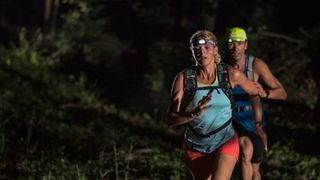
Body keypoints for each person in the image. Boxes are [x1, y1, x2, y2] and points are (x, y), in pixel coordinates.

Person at [167, 30, 266, 180]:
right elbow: (171, 119)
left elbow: (254, 93)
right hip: (196, 146)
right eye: (197, 48)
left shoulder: (231, 75)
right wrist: (192, 114)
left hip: (225, 140)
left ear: (215, 50)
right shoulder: (184, 79)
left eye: (207, 47)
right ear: (192, 52)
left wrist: (258, 124)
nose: (202, 51)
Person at [226, 27, 287, 180]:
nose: (235, 47)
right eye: (231, 43)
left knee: (254, 169)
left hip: (254, 122)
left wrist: (266, 93)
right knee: (245, 151)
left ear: (245, 44)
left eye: (239, 43)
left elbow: (282, 93)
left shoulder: (255, 65)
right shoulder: (223, 68)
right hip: (233, 122)